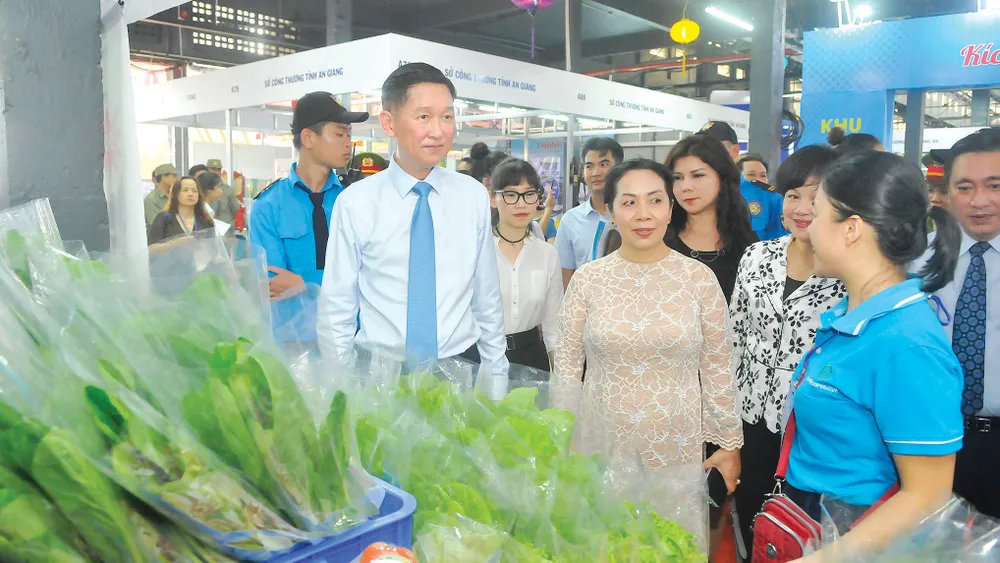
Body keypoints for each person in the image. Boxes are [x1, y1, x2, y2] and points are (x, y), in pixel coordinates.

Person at [552, 158, 742, 546]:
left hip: (677, 447)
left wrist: (728, 443)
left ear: (671, 209)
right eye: (629, 202)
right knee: (607, 545)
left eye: (655, 201)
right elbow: (568, 367)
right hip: (602, 445)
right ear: (610, 211)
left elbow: (719, 366)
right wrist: (563, 435)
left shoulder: (697, 279)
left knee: (672, 546)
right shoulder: (590, 279)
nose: (643, 215)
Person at [787, 150, 963, 562]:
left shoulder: (905, 345)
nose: (805, 227)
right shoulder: (850, 317)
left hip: (859, 541)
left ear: (851, 229)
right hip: (820, 525)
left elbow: (927, 494)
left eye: (816, 214)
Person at [316, 63, 509, 396]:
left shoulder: (472, 195)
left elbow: (486, 295)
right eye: (423, 117)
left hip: (461, 367)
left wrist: (495, 380)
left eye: (447, 117)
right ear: (389, 123)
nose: (438, 130)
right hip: (380, 375)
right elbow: (337, 307)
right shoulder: (356, 203)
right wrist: (345, 390)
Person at [728, 145, 847, 555]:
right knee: (749, 521)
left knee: (800, 532)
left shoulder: (847, 274)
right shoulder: (757, 255)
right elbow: (734, 337)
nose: (801, 208)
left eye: (816, 197)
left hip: (809, 427)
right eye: (793, 194)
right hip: (747, 419)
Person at [918, 128, 1000, 519]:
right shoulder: (915, 262)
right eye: (965, 187)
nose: (979, 201)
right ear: (946, 193)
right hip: (929, 441)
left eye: (995, 185)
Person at [250, 91, 369, 299]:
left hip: (349, 328)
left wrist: (304, 283)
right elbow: (273, 284)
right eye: (340, 134)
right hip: (291, 328)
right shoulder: (268, 206)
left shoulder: (354, 201)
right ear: (308, 138)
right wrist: (329, 283)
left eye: (349, 135)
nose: (348, 143)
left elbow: (367, 275)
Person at [664, 134, 758, 303]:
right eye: (677, 178)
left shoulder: (747, 243)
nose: (685, 187)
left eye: (698, 175)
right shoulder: (660, 241)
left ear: (722, 178)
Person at [490, 158, 563, 371]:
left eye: (529, 194)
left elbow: (553, 325)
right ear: (494, 199)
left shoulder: (547, 254)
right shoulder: (477, 250)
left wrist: (561, 381)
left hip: (530, 357)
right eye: (511, 195)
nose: (521, 204)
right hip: (482, 355)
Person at [554, 138, 622, 288]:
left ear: (620, 168)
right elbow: (565, 275)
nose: (596, 173)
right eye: (589, 166)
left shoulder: (634, 215)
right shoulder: (571, 220)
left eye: (604, 164)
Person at [700, 121, 784, 240]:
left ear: (734, 151)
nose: (703, 152)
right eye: (701, 147)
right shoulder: (687, 192)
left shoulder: (767, 198)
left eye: (713, 146)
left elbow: (780, 247)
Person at [147, 176, 215, 245]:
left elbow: (214, 249)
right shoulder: (164, 218)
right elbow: (151, 249)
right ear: (176, 194)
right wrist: (176, 243)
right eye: (185, 190)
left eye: (194, 191)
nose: (190, 194)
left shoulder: (205, 220)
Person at [206, 158, 243, 225]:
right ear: (206, 170)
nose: (216, 172)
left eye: (218, 170)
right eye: (213, 169)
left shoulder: (228, 189)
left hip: (226, 226)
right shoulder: (202, 189)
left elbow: (235, 208)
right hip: (207, 226)